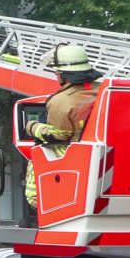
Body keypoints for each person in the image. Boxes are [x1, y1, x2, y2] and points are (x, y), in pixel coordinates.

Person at [21, 43, 102, 228]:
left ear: (64, 75)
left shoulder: (62, 101)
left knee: (38, 154)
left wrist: (32, 127)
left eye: (57, 73)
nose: (56, 76)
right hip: (102, 153)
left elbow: (59, 134)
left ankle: (47, 207)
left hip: (76, 158)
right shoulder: (104, 89)